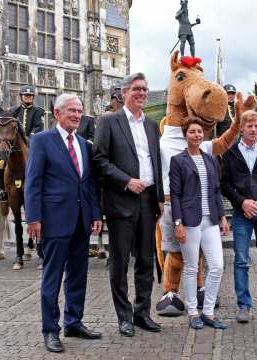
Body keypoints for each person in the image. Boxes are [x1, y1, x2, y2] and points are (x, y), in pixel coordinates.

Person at [25, 94, 103, 353]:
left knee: (78, 276)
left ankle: (74, 321)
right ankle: (50, 330)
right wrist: (34, 218)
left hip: (81, 222)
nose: (77, 115)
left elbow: (89, 183)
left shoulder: (84, 144)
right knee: (52, 277)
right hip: (54, 222)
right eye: (72, 110)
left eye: (80, 111)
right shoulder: (41, 141)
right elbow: (33, 182)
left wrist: (95, 215)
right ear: (57, 113)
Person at [93, 72, 164, 337]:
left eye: (144, 89)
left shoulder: (152, 125)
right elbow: (99, 160)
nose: (141, 93)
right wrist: (126, 181)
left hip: (148, 201)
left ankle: (142, 313)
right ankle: (124, 317)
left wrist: (159, 199)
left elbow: (156, 162)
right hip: (121, 200)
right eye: (136, 89)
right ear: (124, 93)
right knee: (120, 262)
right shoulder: (109, 121)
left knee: (146, 260)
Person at [220, 110, 257, 323]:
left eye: (256, 126)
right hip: (241, 213)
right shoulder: (230, 154)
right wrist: (242, 202)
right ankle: (244, 305)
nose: (254, 129)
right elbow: (224, 185)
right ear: (242, 128)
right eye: (249, 126)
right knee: (241, 260)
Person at [170, 117, 229, 329]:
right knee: (191, 267)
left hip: (210, 220)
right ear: (185, 135)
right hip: (189, 221)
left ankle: (208, 312)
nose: (197, 135)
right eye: (192, 132)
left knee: (217, 266)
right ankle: (193, 311)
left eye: (199, 132)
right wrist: (178, 223)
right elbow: (175, 194)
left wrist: (222, 217)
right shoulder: (178, 160)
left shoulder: (211, 159)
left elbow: (216, 190)